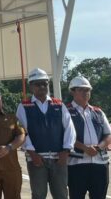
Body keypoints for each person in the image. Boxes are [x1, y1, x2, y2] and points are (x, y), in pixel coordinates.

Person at [16, 68, 76, 199]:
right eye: (38, 84)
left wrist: (66, 151)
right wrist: (32, 153)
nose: (42, 86)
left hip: (58, 158)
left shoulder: (59, 105)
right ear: (31, 86)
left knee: (61, 194)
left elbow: (69, 128)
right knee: (38, 194)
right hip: (36, 159)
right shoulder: (24, 106)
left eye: (45, 83)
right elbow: (22, 131)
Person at [66, 76, 111, 199]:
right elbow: (64, 136)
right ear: (73, 91)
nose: (85, 93)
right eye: (81, 90)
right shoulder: (65, 111)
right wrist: (85, 148)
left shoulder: (97, 112)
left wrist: (99, 147)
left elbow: (109, 134)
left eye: (87, 90)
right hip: (77, 164)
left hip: (100, 163)